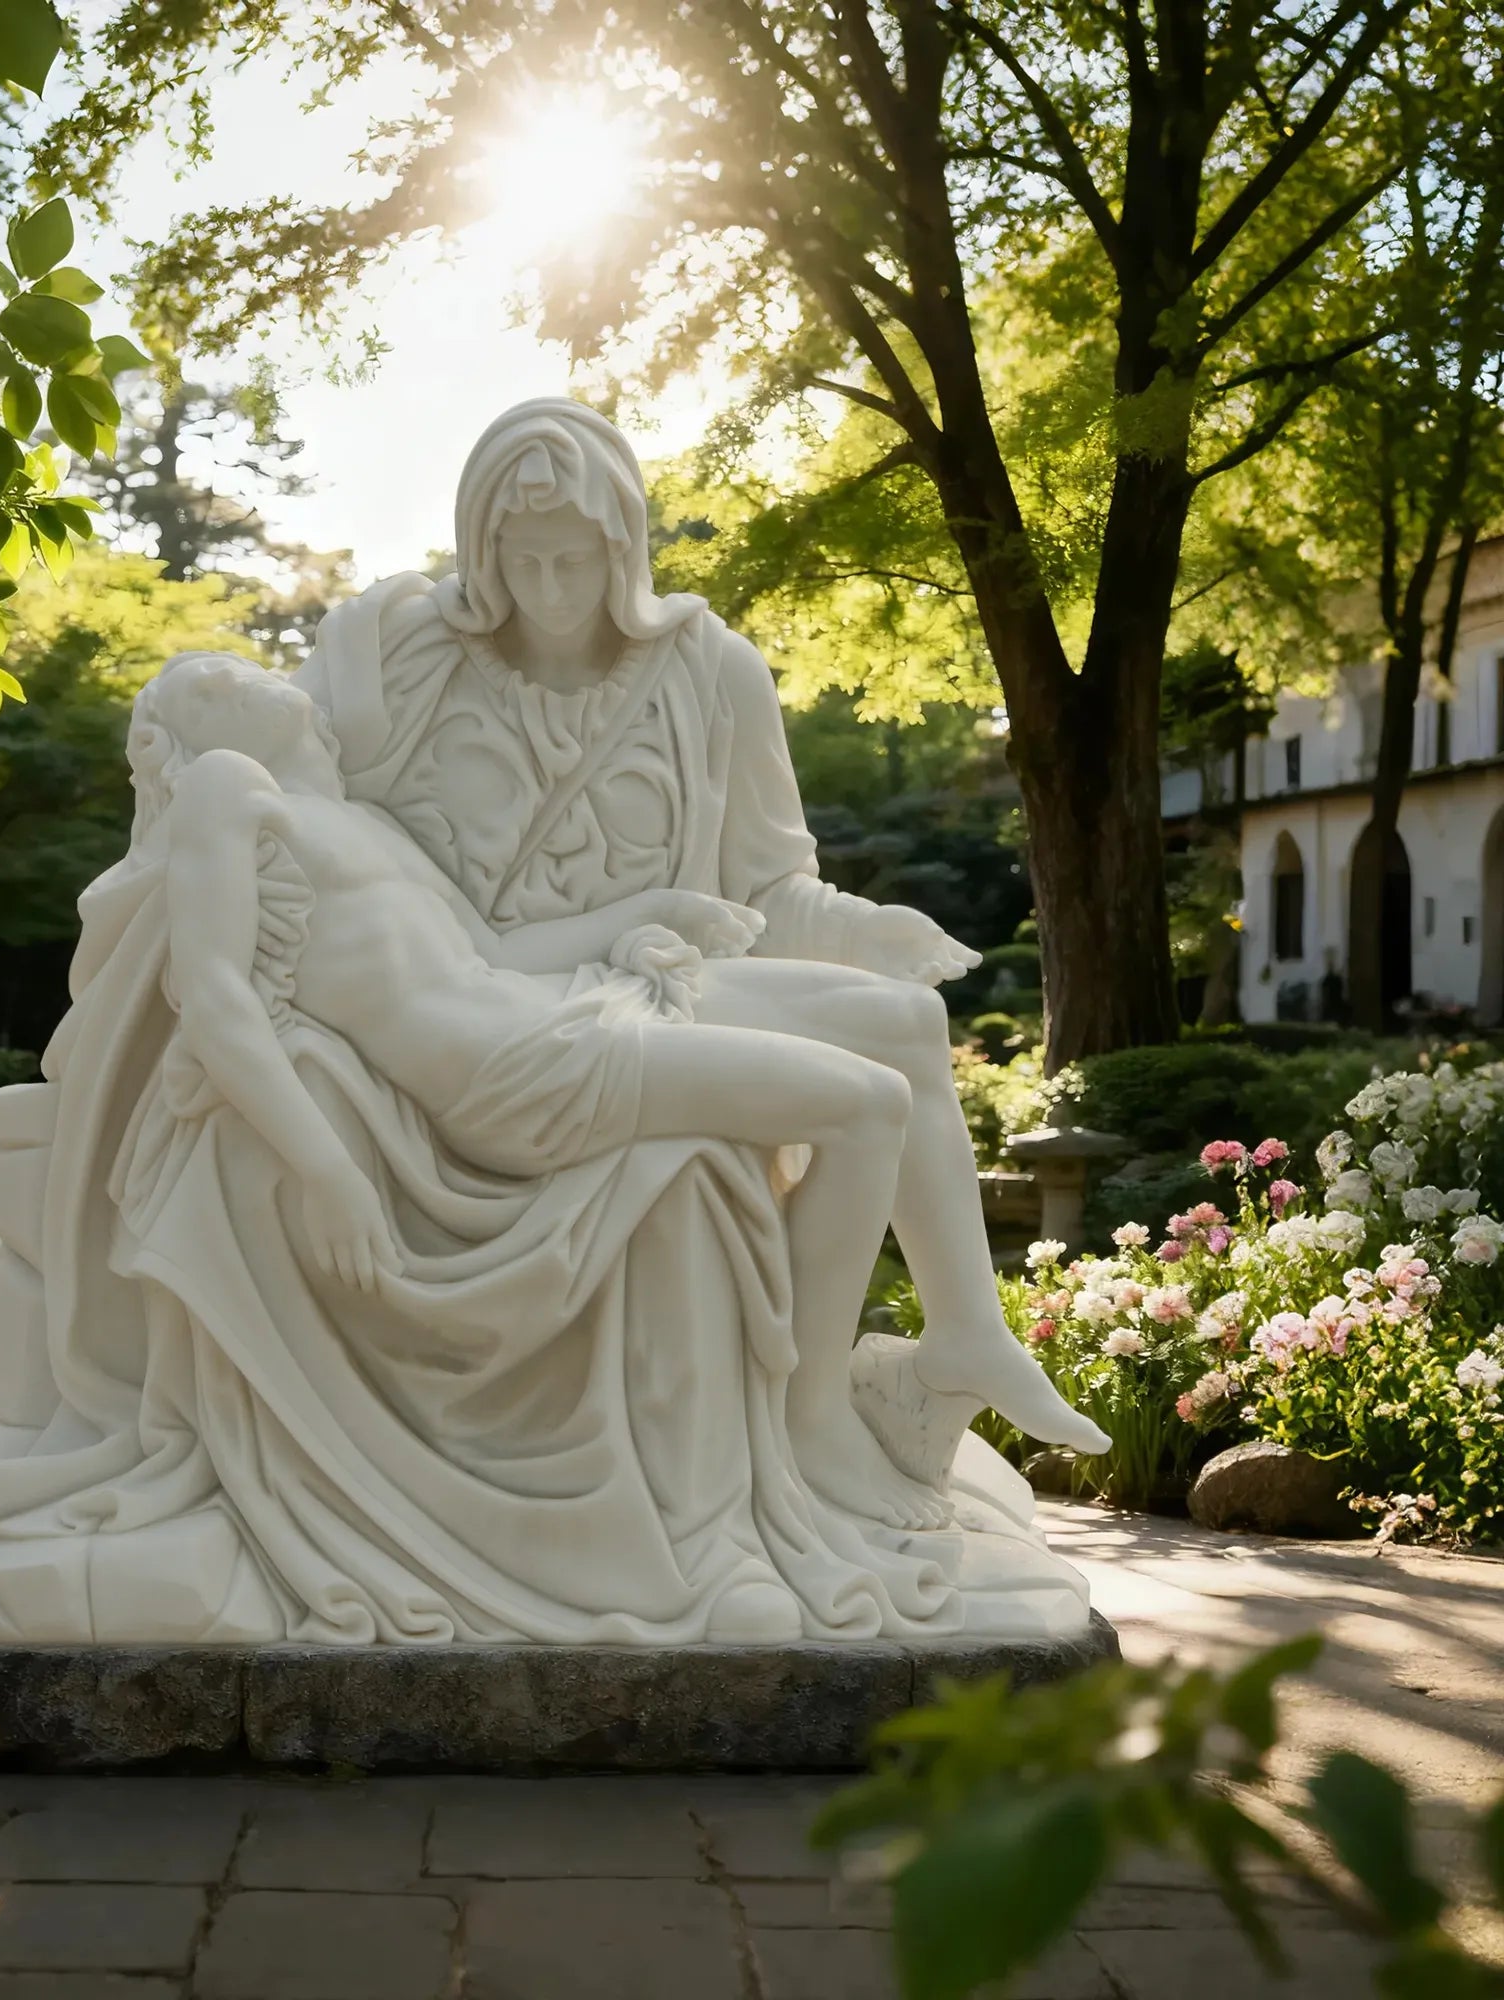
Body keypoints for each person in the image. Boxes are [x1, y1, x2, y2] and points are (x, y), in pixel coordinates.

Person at [298, 399, 1107, 1484]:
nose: (546, 588)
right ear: (481, 550)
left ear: (619, 544)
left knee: (906, 1017)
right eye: (522, 558)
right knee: (862, 1082)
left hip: (665, 978)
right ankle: (812, 1407)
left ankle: (961, 1335)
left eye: (571, 559)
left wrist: (867, 926)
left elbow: (768, 890)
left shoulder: (707, 671)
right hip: (520, 1004)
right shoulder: (416, 668)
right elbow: (285, 778)